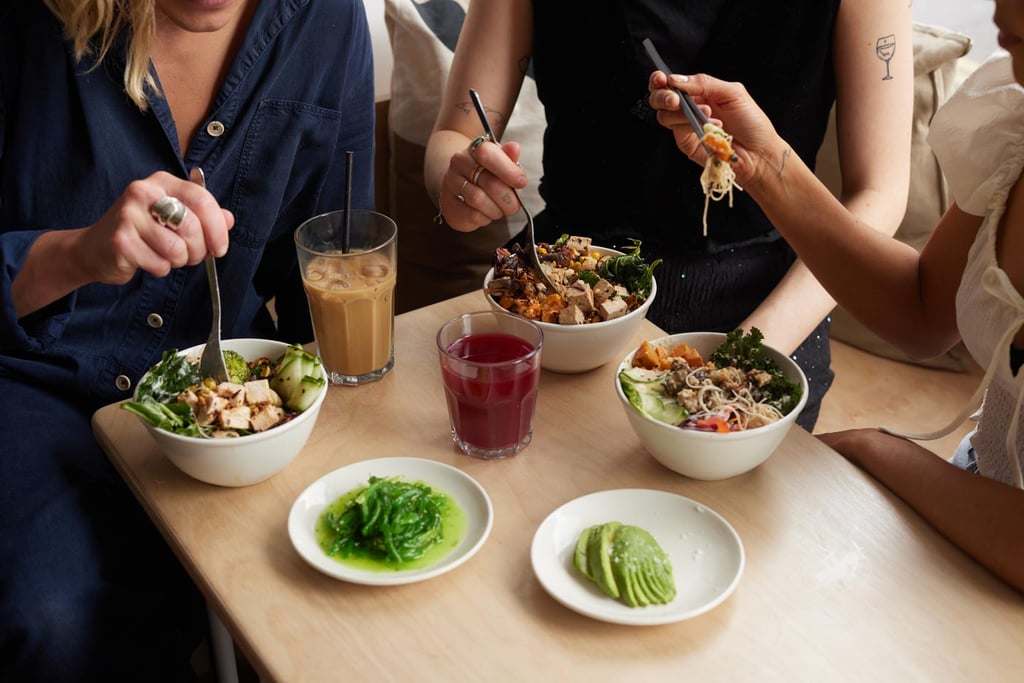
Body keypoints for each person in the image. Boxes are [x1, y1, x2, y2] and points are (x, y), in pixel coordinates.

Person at [0, 0, 375, 679]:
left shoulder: (325, 19)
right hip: (33, 391)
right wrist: (78, 253)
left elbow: (330, 274)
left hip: (232, 407)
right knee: (57, 620)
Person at [646, 0, 1024, 592]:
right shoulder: (1013, 123)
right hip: (964, 511)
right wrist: (766, 165)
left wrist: (875, 450)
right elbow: (924, 310)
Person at [423, 0, 913, 430]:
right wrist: (462, 181)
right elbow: (454, 134)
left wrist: (749, 349)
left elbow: (881, 190)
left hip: (774, 307)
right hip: (564, 298)